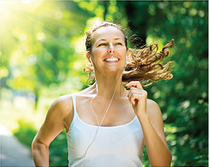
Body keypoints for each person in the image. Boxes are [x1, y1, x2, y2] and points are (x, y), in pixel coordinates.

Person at [32, 21, 174, 167]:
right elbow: (40, 143)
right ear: (89, 56)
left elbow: (163, 164)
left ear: (126, 54)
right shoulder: (67, 105)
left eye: (118, 43)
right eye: (102, 44)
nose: (111, 49)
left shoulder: (148, 108)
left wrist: (143, 117)